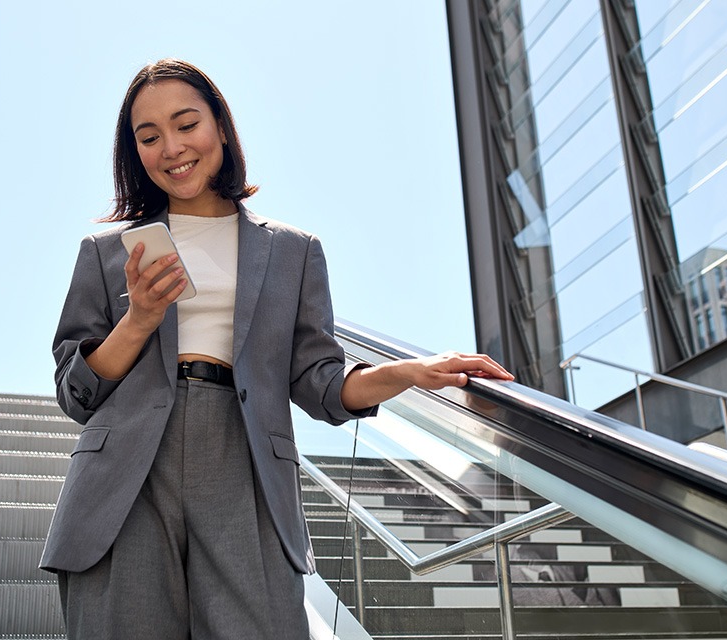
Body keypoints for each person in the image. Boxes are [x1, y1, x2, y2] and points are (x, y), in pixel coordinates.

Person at [41, 58, 514, 639]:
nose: (172, 147)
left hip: (248, 466)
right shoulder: (105, 251)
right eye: (149, 136)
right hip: (126, 480)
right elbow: (75, 392)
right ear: (134, 152)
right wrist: (138, 321)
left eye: (187, 124)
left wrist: (410, 373)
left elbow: (320, 381)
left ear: (219, 125)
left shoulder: (294, 251)